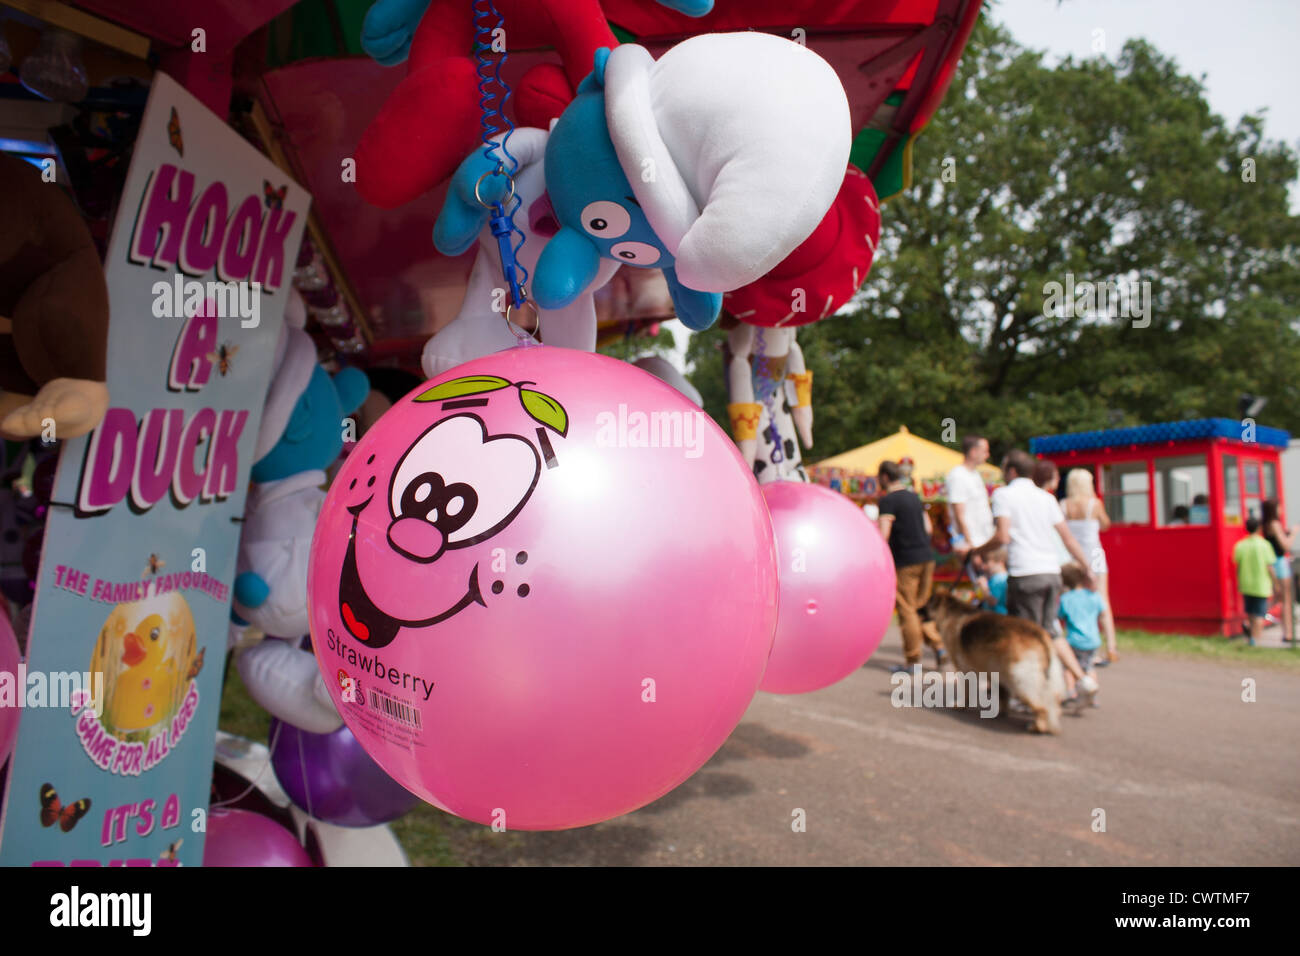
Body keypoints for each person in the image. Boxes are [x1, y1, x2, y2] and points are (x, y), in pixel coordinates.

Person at [971, 449, 1098, 698]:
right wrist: (1087, 568)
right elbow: (1069, 539)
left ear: (1012, 471)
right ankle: (1077, 681)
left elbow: (1002, 536)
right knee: (1048, 632)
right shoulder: (1046, 498)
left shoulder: (1003, 495)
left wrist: (978, 550)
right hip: (1052, 574)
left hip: (1025, 574)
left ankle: (1030, 694)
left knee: (1024, 638)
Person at [877, 460, 945, 672]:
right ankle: (940, 648)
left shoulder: (888, 501)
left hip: (905, 561)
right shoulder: (914, 497)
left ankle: (913, 661)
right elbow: (928, 528)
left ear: (885, 477)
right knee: (921, 607)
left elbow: (883, 535)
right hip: (926, 557)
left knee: (907, 610)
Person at [1062, 467, 1119, 663]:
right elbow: (1105, 525)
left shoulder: (1063, 505)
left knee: (1071, 601)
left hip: (1071, 557)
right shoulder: (1095, 504)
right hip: (1094, 555)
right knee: (1103, 601)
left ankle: (1073, 646)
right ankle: (1110, 647)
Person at [1058, 563, 1104, 706]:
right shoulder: (1093, 596)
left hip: (1075, 641)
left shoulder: (1066, 599)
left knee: (1068, 667)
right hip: (1093, 640)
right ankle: (1093, 695)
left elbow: (1059, 615)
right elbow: (1102, 611)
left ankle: (1072, 692)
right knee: (1089, 667)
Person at [945, 436, 994, 568]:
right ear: (973, 452)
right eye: (985, 451)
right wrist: (971, 546)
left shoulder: (974, 475)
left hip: (982, 542)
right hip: (972, 545)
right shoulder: (958, 476)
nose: (987, 455)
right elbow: (959, 514)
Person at [1233, 517, 1277, 646]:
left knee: (1251, 613)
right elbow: (1270, 567)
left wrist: (1238, 581)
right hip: (1261, 584)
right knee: (1259, 614)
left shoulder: (1240, 545)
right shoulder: (1264, 545)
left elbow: (1238, 566)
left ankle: (1251, 636)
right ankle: (1255, 639)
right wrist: (1276, 583)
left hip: (1246, 584)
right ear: (1259, 528)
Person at [1261, 500, 1294, 643]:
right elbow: (1285, 545)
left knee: (1276, 598)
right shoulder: (1275, 523)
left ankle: (1252, 622)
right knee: (1286, 600)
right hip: (1280, 563)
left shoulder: (1265, 524)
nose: (1281, 509)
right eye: (1279, 506)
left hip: (1271, 563)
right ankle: (1288, 634)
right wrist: (1294, 533)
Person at [981, 546, 1009, 614]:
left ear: (1000, 561)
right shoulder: (997, 578)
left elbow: (993, 601)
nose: (983, 567)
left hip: (998, 618)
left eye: (986, 562)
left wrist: (983, 587)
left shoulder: (999, 579)